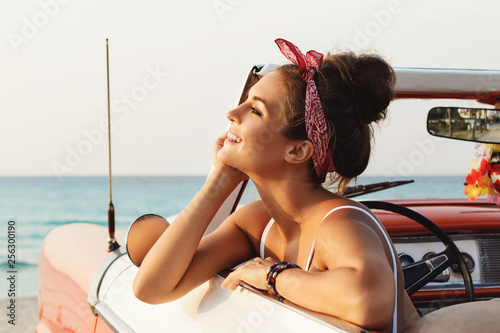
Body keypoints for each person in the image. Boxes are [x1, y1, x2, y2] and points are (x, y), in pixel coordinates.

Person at [133, 38, 419, 333]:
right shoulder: (257, 224)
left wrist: (272, 274)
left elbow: (370, 302)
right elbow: (151, 288)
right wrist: (222, 178)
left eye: (255, 111)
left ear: (297, 151)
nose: (232, 113)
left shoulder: (340, 221)